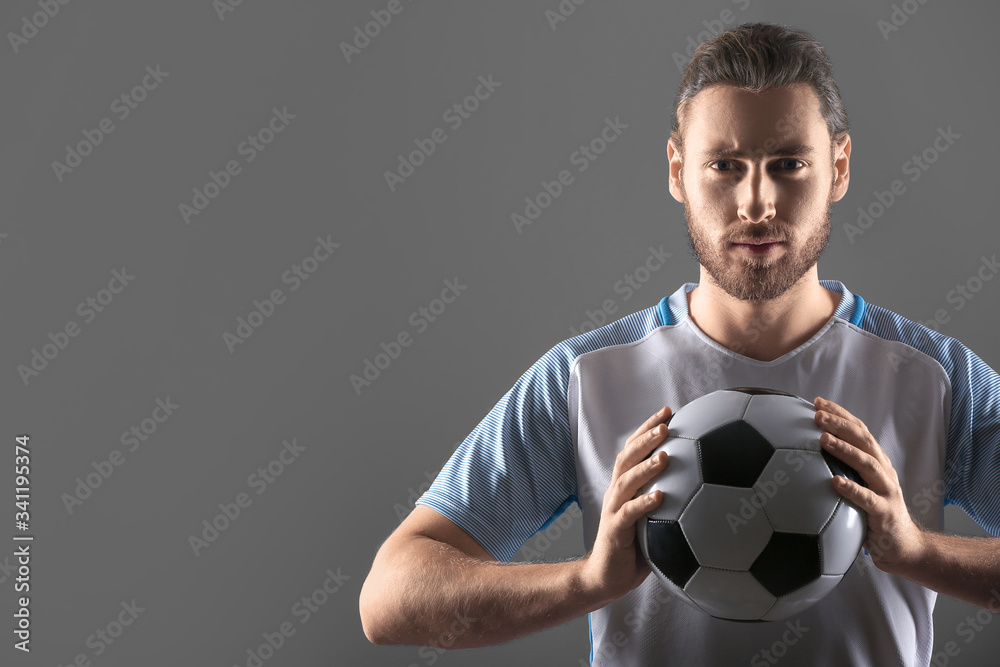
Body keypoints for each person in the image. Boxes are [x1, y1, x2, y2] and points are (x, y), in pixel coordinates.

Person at [359, 21, 1000, 665]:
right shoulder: (587, 379)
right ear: (677, 171)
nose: (756, 203)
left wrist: (919, 553)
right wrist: (585, 582)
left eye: (789, 164)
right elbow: (389, 598)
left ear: (838, 168)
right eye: (724, 165)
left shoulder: (935, 378)